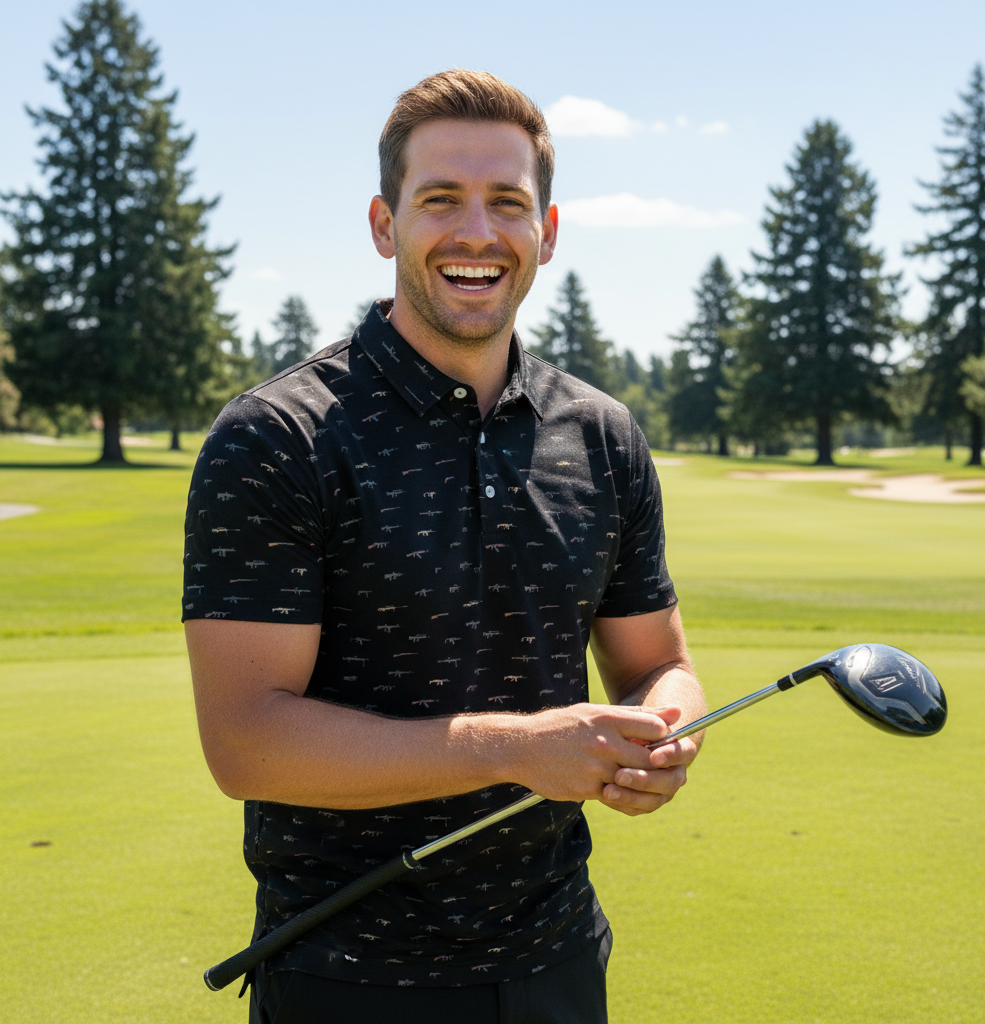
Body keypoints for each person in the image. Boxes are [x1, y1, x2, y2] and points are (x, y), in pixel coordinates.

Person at [183, 69, 706, 1024]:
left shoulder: (602, 435)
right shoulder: (277, 436)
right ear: (385, 226)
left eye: (508, 202)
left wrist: (667, 729)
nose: (477, 232)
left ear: (546, 232)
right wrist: (515, 749)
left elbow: (658, 662)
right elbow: (247, 744)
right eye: (440, 200)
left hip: (558, 961)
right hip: (344, 975)